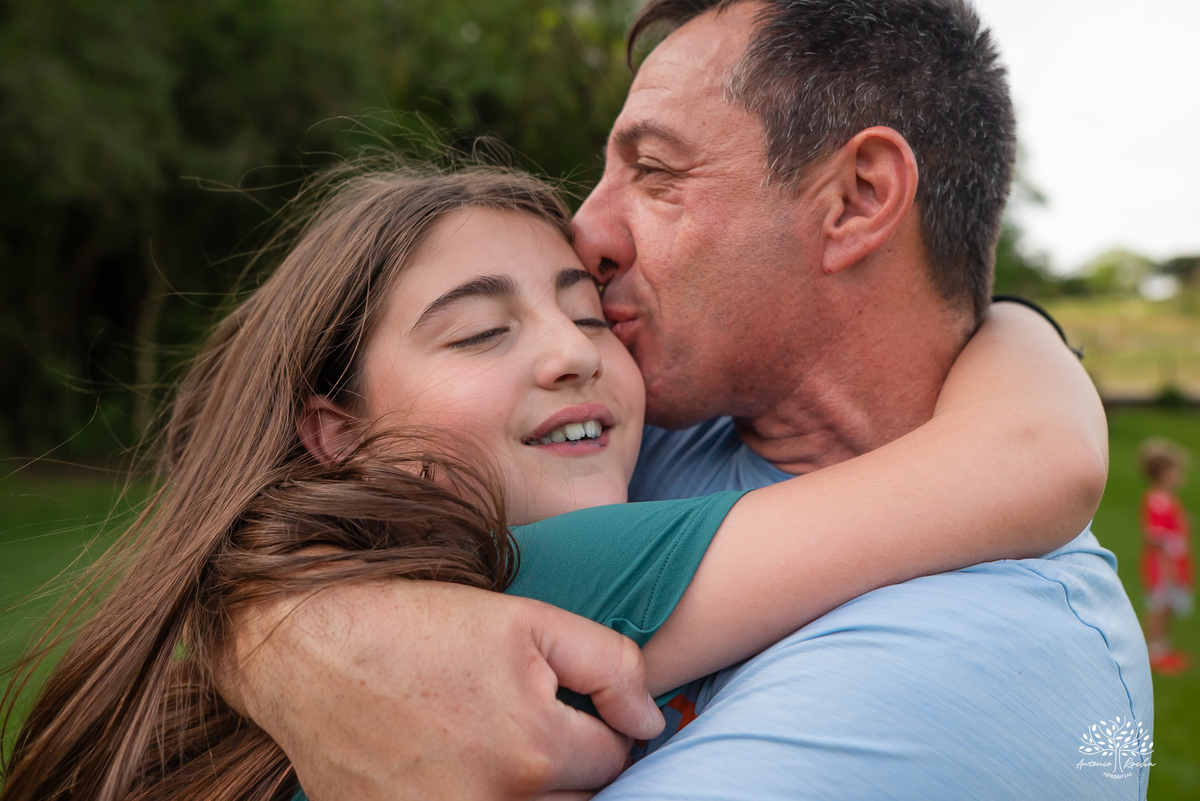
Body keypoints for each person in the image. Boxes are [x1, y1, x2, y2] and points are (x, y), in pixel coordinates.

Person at [219, 1, 1152, 799]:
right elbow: (253, 529)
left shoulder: (968, 661)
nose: (585, 230)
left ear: (860, 198)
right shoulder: (625, 443)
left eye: (656, 172)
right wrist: (279, 631)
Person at [2, 163, 1104, 801]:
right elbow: (1023, 461)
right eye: (480, 332)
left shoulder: (303, 587)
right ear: (333, 430)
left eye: (591, 314)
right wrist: (1014, 320)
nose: (573, 351)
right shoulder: (534, 571)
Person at [1139, 437, 1193, 674]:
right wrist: (1167, 569)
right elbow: (1156, 538)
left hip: (1174, 563)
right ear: (1162, 473)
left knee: (1168, 605)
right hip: (1163, 565)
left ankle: (1164, 647)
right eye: (1176, 470)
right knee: (1159, 606)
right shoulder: (1158, 501)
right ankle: (1153, 651)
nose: (1181, 475)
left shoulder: (1169, 499)